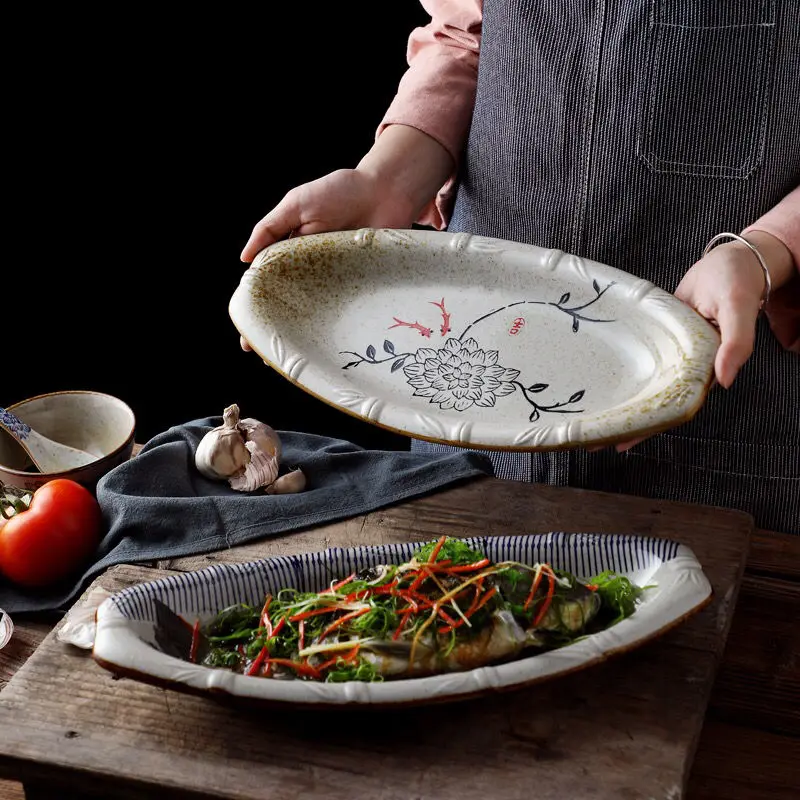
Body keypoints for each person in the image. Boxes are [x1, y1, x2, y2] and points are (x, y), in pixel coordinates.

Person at [238, 1, 799, 535]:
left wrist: (768, 249)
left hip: (728, 395)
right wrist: (388, 180)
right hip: (464, 387)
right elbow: (466, 38)